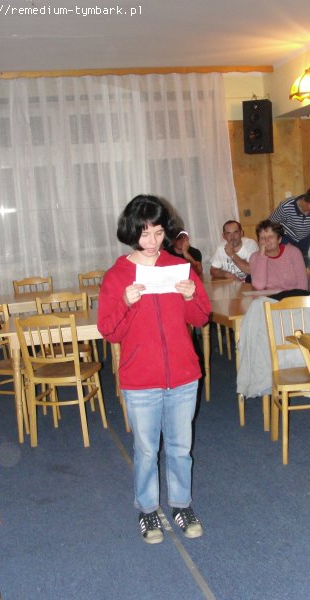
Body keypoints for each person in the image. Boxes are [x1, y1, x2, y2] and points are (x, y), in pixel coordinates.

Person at [97, 194, 211, 545]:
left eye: (158, 233)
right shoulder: (117, 276)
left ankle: (181, 505)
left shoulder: (179, 267)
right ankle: (147, 509)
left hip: (183, 375)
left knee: (180, 448)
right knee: (146, 450)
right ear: (131, 232)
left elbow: (201, 318)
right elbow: (109, 331)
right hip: (140, 378)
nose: (152, 242)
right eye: (144, 234)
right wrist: (125, 302)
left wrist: (191, 295)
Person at [268, 185, 310, 262]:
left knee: (305, 263)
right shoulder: (286, 206)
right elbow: (270, 224)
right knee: (285, 263)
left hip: (305, 238)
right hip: (286, 237)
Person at [249, 220, 308, 293]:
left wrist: (295, 299)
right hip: (269, 298)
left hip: (293, 296)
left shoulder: (293, 252)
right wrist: (262, 256)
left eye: (270, 237)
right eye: (262, 238)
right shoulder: (254, 257)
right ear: (258, 241)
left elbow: (302, 286)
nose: (266, 240)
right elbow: (259, 286)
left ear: (279, 239)